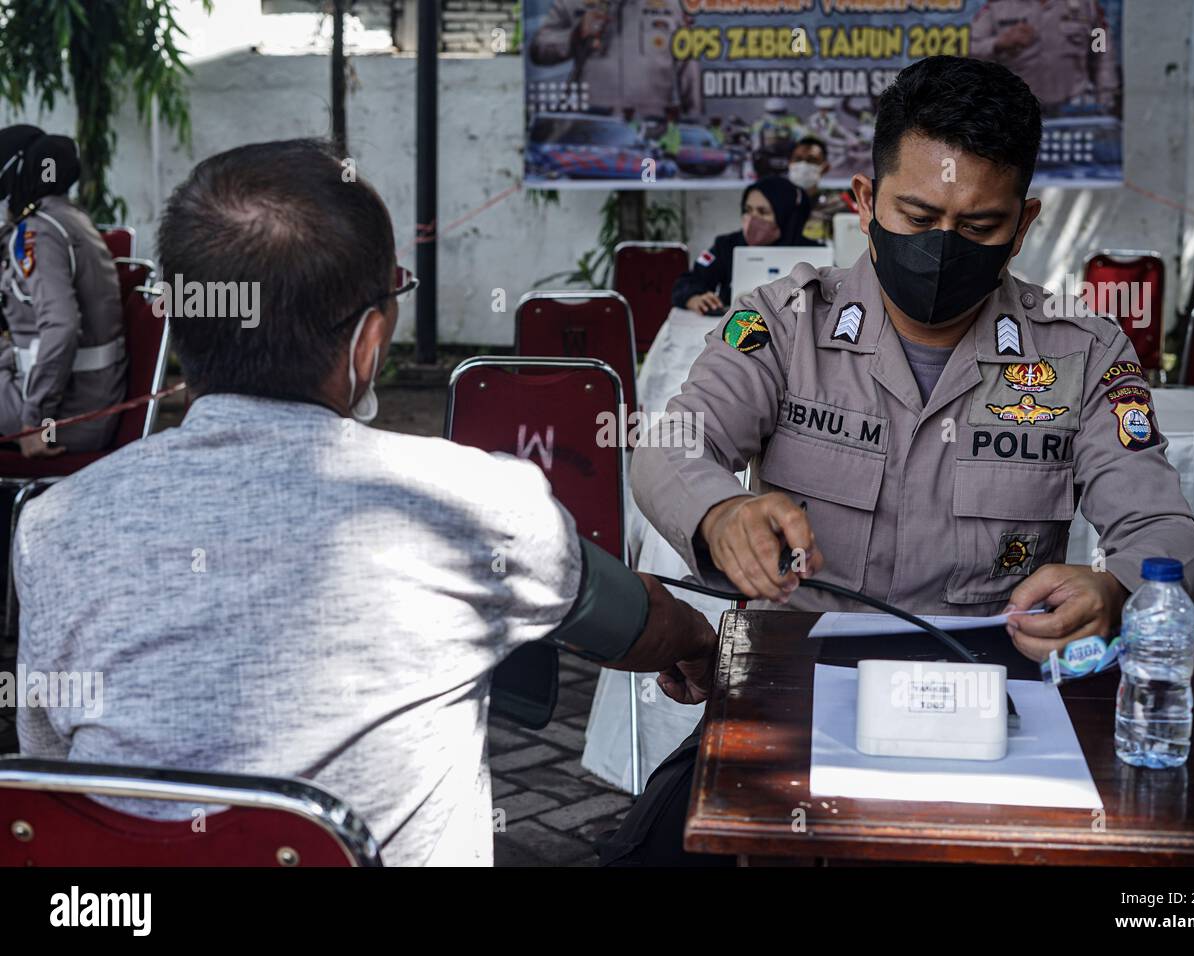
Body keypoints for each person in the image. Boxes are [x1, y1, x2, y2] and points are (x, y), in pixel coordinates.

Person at [15, 139, 718, 867]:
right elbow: (635, 624)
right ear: (368, 341)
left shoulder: (55, 524)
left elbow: (52, 764)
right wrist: (701, 644)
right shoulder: (476, 504)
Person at [606, 55, 1194, 864]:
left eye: (979, 228)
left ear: (1025, 225)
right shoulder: (781, 326)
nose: (941, 247)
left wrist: (1114, 588)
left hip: (998, 712)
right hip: (797, 694)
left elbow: (1168, 530)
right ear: (863, 202)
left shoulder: (1084, 352)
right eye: (918, 215)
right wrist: (722, 513)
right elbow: (671, 448)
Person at [0, 126, 125, 455]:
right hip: (89, 401)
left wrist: (35, 420)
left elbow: (62, 325)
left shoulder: (36, 234)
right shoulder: (68, 218)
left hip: (62, 422)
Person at [528, 0, 701, 119]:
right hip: (590, 126)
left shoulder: (674, 5)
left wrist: (694, 120)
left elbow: (689, 67)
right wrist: (576, 35)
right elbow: (539, 50)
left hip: (652, 127)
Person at [671, 176, 818, 315]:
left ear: (785, 216)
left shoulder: (815, 252)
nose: (752, 218)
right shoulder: (726, 245)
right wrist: (693, 297)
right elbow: (687, 282)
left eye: (763, 212)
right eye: (748, 210)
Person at [971, 0, 1119, 115]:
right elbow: (969, 48)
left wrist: (1104, 99)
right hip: (1018, 109)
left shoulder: (1086, 5)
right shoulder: (998, 6)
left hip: (1075, 107)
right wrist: (999, 43)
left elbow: (1101, 50)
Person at [786, 135, 859, 243]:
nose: (803, 165)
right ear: (789, 163)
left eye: (811, 160)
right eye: (798, 159)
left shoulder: (838, 205)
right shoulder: (774, 203)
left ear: (825, 168)